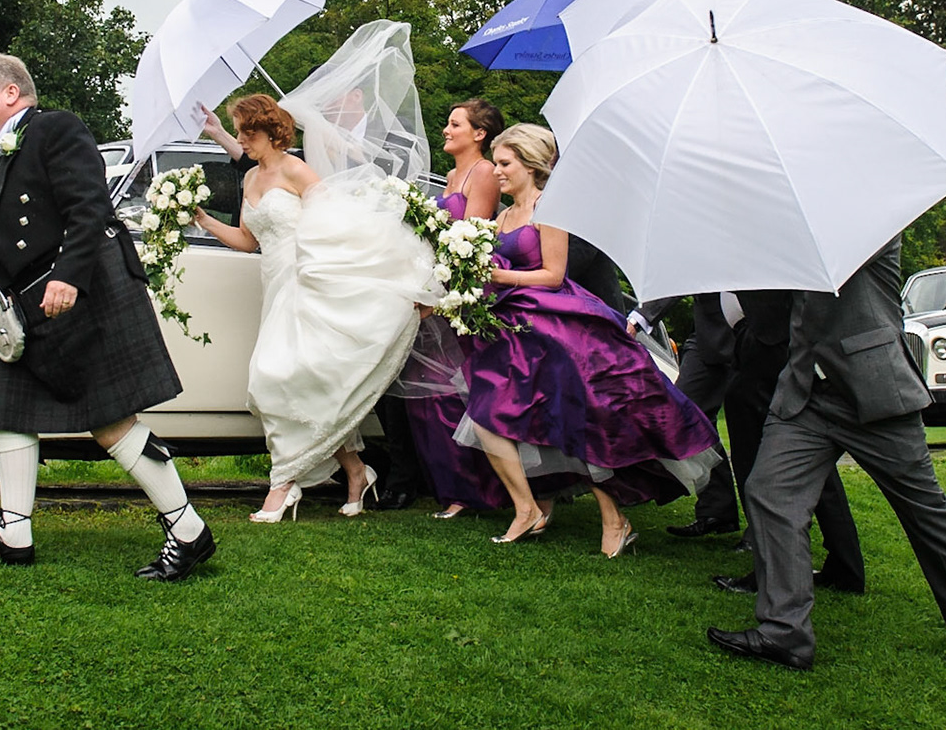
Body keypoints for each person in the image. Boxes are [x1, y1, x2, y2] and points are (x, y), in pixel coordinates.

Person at [0, 53, 214, 581]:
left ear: (12, 94)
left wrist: (68, 275)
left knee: (109, 420)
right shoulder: (4, 151)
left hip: (72, 298)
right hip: (27, 311)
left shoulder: (55, 129)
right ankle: (13, 535)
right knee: (9, 413)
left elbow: (89, 206)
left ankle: (189, 530)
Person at [707, 237, 946, 670]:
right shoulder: (783, 233)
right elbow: (770, 325)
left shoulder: (864, 222)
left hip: (874, 389)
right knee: (770, 493)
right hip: (806, 393)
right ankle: (784, 632)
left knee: (924, 509)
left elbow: (832, 274)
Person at [456, 123, 723, 555]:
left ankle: (613, 516)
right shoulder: (501, 217)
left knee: (577, 422)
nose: (498, 172)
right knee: (488, 415)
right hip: (512, 331)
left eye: (505, 164)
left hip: (560, 326)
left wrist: (501, 275)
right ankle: (527, 508)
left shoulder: (552, 209)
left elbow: (553, 274)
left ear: (529, 164)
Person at [194, 90, 428, 520]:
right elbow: (248, 241)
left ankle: (281, 486)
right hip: (274, 284)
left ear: (268, 129)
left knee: (272, 379)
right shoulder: (249, 180)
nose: (241, 139)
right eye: (239, 132)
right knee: (307, 385)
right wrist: (205, 221)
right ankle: (357, 472)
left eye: (246, 131)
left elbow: (338, 227)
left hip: (306, 283)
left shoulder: (298, 171)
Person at [707, 288, 865, 596]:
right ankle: (845, 565)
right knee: (811, 456)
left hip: (767, 341)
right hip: (766, 338)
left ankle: (767, 573)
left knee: (760, 460)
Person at [401, 100, 510, 520]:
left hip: (461, 295)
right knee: (428, 393)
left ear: (479, 134)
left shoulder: (483, 173)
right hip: (437, 287)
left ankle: (476, 489)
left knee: (455, 392)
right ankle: (450, 488)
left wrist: (440, 300)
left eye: (454, 124)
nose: (446, 130)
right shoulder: (450, 176)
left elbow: (471, 243)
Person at [629, 292, 745, 540]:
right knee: (689, 415)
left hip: (756, 337)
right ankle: (717, 510)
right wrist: (639, 318)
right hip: (708, 337)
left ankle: (763, 534)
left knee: (751, 433)